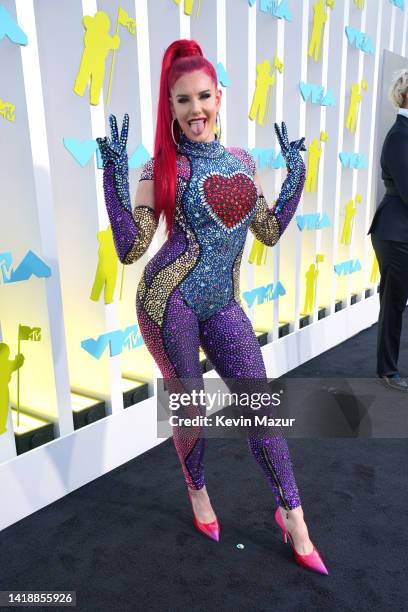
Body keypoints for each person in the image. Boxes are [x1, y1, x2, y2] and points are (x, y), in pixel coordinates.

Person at [97, 39, 328, 575]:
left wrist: (294, 177)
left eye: (203, 96)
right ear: (170, 105)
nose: (195, 109)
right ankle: (197, 491)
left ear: (219, 97)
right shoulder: (161, 168)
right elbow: (133, 248)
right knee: (192, 407)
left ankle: (294, 517)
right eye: (183, 101)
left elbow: (268, 232)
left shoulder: (243, 162)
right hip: (167, 301)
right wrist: (112, 180)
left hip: (223, 304)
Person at [369, 68, 408, 392]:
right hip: (395, 232)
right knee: (394, 299)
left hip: (401, 230)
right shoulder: (399, 135)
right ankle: (388, 371)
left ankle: (388, 367)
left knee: (395, 298)